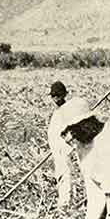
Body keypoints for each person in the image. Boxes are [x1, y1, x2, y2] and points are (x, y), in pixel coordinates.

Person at [46, 81, 75, 211]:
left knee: (64, 175)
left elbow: (73, 131)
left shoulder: (68, 111)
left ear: (64, 95)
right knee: (60, 175)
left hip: (64, 150)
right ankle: (62, 201)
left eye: (58, 95)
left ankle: (65, 204)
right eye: (54, 95)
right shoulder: (57, 112)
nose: (56, 98)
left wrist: (67, 143)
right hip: (56, 150)